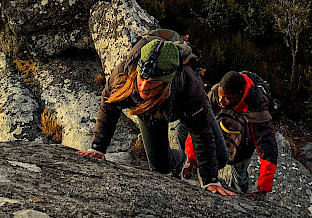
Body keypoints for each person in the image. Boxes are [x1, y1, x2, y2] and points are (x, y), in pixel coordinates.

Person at [77, 37, 235, 196]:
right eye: (142, 78)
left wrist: (210, 180)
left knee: (220, 157)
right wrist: (98, 148)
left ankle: (205, 167)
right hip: (149, 111)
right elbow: (109, 106)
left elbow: (201, 132)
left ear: (166, 82)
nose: (143, 86)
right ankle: (180, 159)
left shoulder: (190, 87)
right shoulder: (123, 75)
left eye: (152, 83)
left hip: (184, 105)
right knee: (160, 167)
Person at [180, 70, 278, 201]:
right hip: (222, 134)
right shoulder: (215, 94)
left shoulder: (257, 106)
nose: (221, 101)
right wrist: (190, 160)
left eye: (227, 98)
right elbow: (199, 126)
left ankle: (241, 199)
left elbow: (268, 150)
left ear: (239, 95)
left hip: (244, 147)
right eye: (220, 96)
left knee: (239, 176)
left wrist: (263, 190)